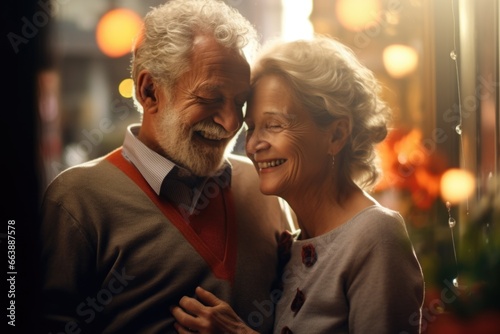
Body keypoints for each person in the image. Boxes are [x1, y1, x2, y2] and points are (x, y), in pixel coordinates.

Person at [36, 0, 294, 333]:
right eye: (210, 97)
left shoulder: (266, 186)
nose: (232, 122)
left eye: (240, 102)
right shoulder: (76, 199)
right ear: (149, 91)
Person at [171, 36, 425, 334]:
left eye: (275, 125)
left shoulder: (375, 234)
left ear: (336, 135)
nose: (253, 145)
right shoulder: (290, 240)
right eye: (251, 127)